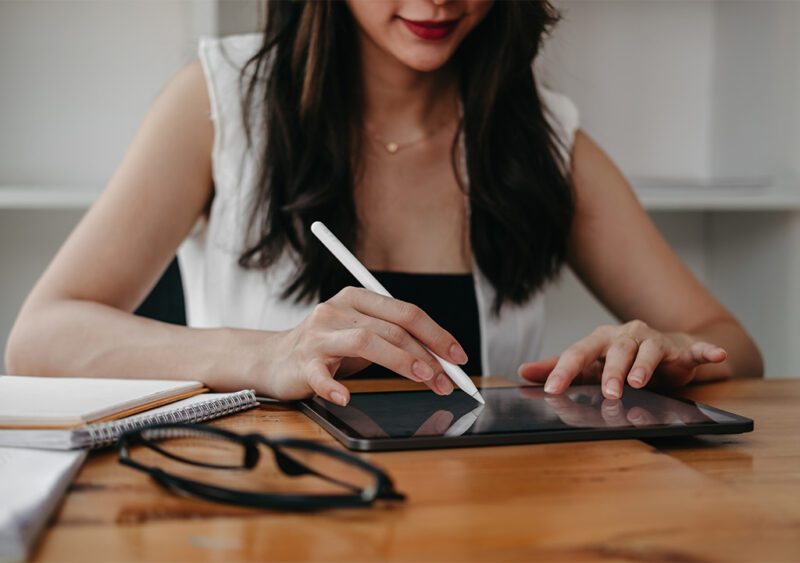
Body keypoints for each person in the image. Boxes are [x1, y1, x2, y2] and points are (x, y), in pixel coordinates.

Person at [5, 0, 763, 408]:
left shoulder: (543, 140)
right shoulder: (220, 103)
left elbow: (730, 343)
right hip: (262, 516)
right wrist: (262, 354)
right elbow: (39, 338)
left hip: (490, 518)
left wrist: (664, 352)